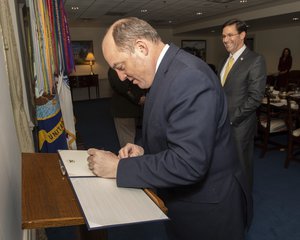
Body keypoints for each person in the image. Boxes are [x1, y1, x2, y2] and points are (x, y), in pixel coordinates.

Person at [87, 17, 252, 240]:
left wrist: (118, 169)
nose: (121, 77)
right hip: (183, 201)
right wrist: (144, 150)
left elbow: (188, 163)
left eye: (121, 66)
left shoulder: (189, 78)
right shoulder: (164, 73)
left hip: (208, 210)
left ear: (141, 48)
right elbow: (172, 131)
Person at [218, 19, 267, 190]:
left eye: (230, 35)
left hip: (240, 126)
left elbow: (255, 98)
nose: (225, 39)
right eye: (223, 36)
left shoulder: (255, 60)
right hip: (222, 125)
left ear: (243, 35)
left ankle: (244, 206)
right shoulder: (225, 61)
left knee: (242, 169)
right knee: (225, 166)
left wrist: (231, 119)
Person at [108, 67, 146, 148]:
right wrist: (138, 98)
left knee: (129, 142)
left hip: (129, 109)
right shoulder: (116, 67)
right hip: (124, 110)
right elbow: (122, 87)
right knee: (128, 142)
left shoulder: (119, 66)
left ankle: (130, 160)